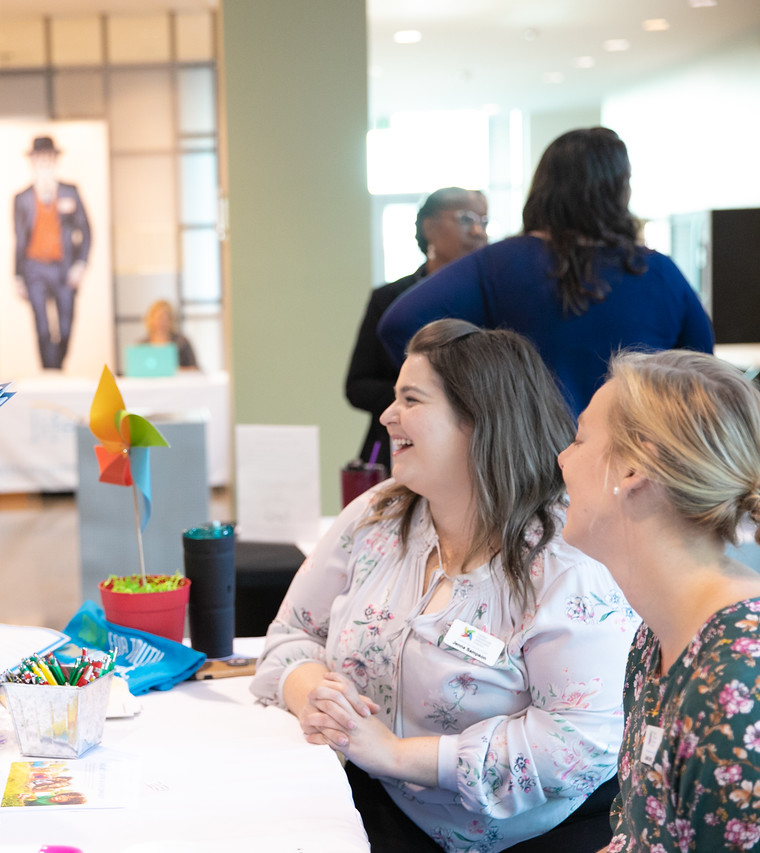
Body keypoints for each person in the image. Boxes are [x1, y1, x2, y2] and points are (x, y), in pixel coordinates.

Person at [251, 318, 638, 853]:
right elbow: (292, 633)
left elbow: (579, 745)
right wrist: (311, 691)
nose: (387, 416)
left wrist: (393, 753)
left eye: (411, 399)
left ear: (479, 421)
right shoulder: (377, 516)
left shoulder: (567, 559)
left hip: (530, 837)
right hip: (379, 809)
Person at [557, 350, 760, 852]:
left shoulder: (740, 680)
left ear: (634, 469)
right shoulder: (656, 639)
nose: (562, 458)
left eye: (580, 439)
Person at [378, 127, 713, 418]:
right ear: (619, 191)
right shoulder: (658, 272)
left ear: (543, 187)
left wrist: (470, 406)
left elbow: (400, 323)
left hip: (531, 464)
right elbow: (703, 374)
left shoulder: (500, 263)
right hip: (635, 458)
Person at [345, 187, 487, 469]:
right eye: (465, 218)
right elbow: (357, 386)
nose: (478, 231)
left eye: (483, 221)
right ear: (429, 226)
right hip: (396, 448)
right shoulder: (389, 299)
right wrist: (419, 399)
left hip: (472, 454)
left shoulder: (490, 300)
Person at [13, 135, 92, 370]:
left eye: (49, 157)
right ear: (33, 161)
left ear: (55, 160)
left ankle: (58, 366)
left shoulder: (70, 192)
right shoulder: (22, 199)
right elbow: (18, 240)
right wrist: (18, 276)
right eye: (40, 158)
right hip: (34, 268)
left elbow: (86, 232)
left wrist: (80, 265)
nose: (44, 162)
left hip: (63, 268)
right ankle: (50, 372)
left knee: (66, 327)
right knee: (43, 328)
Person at [140, 299, 198, 369]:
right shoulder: (142, 345)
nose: (162, 322)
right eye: (159, 318)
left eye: (166, 318)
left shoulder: (182, 343)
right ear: (151, 319)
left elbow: (194, 368)